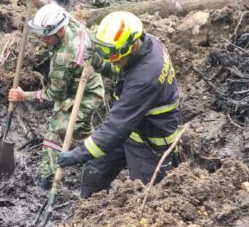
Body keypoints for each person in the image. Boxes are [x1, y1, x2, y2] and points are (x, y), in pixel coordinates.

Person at [56, 11, 181, 198]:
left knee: (147, 197)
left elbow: (116, 127)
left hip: (150, 144)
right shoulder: (146, 42)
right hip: (131, 130)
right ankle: (87, 209)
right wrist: (98, 61)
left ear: (131, 46)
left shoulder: (145, 78)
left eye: (112, 55)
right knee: (95, 170)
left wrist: (78, 154)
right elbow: (122, 69)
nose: (110, 59)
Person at [8, 0, 104, 189]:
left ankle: (48, 181)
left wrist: (23, 96)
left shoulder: (64, 58)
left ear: (59, 32)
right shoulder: (68, 22)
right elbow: (59, 12)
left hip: (86, 94)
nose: (43, 40)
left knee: (55, 132)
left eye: (46, 36)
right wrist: (38, 2)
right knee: (83, 130)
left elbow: (56, 94)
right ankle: (99, 159)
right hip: (88, 80)